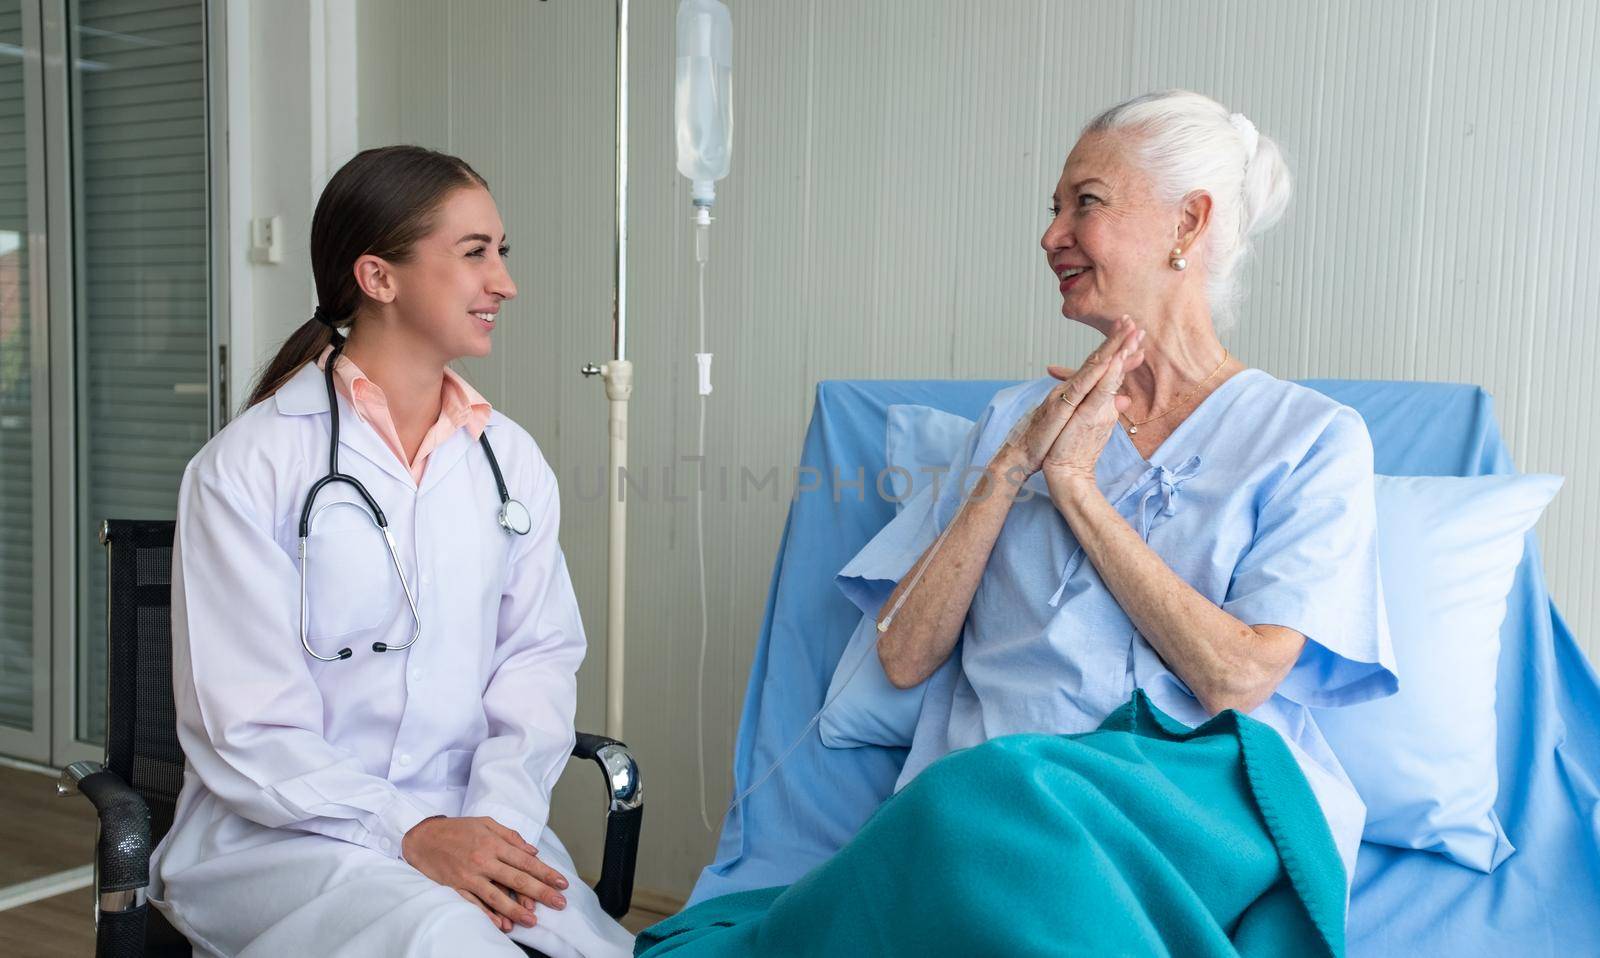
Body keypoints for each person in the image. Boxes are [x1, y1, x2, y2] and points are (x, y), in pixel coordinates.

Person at [640, 90, 1394, 956]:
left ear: (1188, 223)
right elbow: (904, 651)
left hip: (1188, 801)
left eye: (1087, 203)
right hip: (980, 809)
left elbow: (1239, 677)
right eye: (1054, 208)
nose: (1051, 236)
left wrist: (1074, 486)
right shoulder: (1015, 419)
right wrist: (1009, 470)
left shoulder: (1309, 439)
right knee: (977, 801)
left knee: (991, 794)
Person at [149, 145, 635, 958]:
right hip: (289, 837)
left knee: (579, 946)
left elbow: (538, 662)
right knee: (444, 937)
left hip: (475, 827)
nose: (504, 283)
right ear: (379, 277)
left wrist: (497, 826)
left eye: (501, 253)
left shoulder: (507, 460)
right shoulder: (246, 469)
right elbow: (247, 727)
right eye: (475, 253)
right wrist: (413, 830)